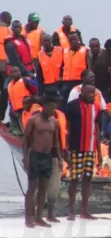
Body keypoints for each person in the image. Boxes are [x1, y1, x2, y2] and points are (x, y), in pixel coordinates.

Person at [22, 92, 63, 228]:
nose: (53, 110)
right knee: (32, 188)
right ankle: (29, 217)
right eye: (51, 107)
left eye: (55, 107)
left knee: (43, 189)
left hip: (47, 157)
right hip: (35, 155)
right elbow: (25, 140)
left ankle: (39, 217)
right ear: (45, 106)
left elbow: (56, 141)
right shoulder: (34, 120)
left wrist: (60, 157)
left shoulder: (55, 122)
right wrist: (25, 157)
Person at [61, 83, 102, 220]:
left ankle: (85, 211)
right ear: (82, 93)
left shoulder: (96, 107)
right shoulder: (72, 106)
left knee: (88, 178)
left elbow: (96, 128)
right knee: (74, 179)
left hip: (90, 149)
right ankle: (71, 211)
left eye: (94, 94)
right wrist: (65, 147)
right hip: (76, 147)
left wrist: (99, 153)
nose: (92, 96)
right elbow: (66, 126)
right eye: (89, 93)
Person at [6, 66, 35, 135]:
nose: (14, 73)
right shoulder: (9, 85)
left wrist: (31, 98)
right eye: (12, 72)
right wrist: (13, 109)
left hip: (28, 109)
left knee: (31, 127)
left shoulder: (26, 81)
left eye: (16, 71)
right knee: (24, 129)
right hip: (17, 111)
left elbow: (36, 91)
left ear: (20, 72)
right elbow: (10, 99)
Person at [61, 33, 90, 103]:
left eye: (74, 39)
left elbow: (89, 67)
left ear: (79, 40)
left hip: (79, 81)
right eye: (70, 40)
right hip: (66, 82)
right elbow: (62, 66)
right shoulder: (64, 51)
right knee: (64, 102)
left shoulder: (85, 51)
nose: (73, 41)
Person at [34, 33, 63, 98]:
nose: (46, 43)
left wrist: (61, 76)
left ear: (51, 41)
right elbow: (39, 74)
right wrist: (40, 92)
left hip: (60, 83)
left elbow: (64, 65)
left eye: (48, 40)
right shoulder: (39, 54)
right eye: (44, 41)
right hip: (48, 85)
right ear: (41, 43)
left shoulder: (60, 50)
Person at [88, 37, 111, 104]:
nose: (94, 48)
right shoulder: (88, 55)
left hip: (106, 85)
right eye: (92, 46)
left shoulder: (107, 54)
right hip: (94, 85)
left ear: (99, 45)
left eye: (96, 46)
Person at [0, 11, 11, 122]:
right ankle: (0, 116)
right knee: (4, 92)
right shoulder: (8, 31)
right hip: (4, 67)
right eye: (9, 19)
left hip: (4, 66)